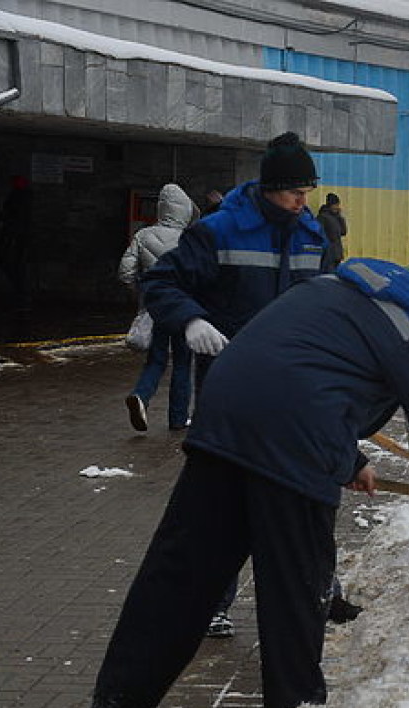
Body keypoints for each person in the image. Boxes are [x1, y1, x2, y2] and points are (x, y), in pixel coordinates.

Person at [86, 258, 409, 708]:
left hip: (226, 414)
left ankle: (120, 701)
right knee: (296, 584)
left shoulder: (335, 291)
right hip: (291, 439)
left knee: (181, 570)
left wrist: (347, 458)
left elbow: (305, 371)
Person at [141, 131, 329, 639]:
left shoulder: (312, 235)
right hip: (230, 386)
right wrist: (191, 321)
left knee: (301, 493)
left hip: (293, 386)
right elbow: (159, 281)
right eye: (295, 192)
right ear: (270, 189)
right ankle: (212, 602)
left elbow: (327, 303)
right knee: (223, 500)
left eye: (308, 193)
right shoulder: (220, 231)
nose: (303, 201)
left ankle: (314, 592)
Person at [119, 183, 197, 433]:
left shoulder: (143, 235)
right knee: (183, 363)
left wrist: (140, 295)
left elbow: (125, 272)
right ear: (185, 210)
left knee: (156, 359)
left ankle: (141, 396)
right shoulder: (191, 239)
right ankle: (178, 418)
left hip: (156, 307)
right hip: (183, 308)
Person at [0, 175, 33, 307]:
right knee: (15, 261)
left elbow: (14, 215)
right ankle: (21, 291)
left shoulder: (19, 197)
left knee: (12, 260)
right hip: (16, 233)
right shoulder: (23, 196)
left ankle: (21, 291)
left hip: (13, 233)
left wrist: (1, 216)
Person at [317, 193, 347, 271]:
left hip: (337, 254)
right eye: (335, 205)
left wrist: (339, 216)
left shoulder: (336, 217)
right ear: (330, 205)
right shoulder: (323, 217)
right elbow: (319, 234)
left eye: (338, 205)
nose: (337, 207)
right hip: (328, 254)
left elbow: (344, 231)